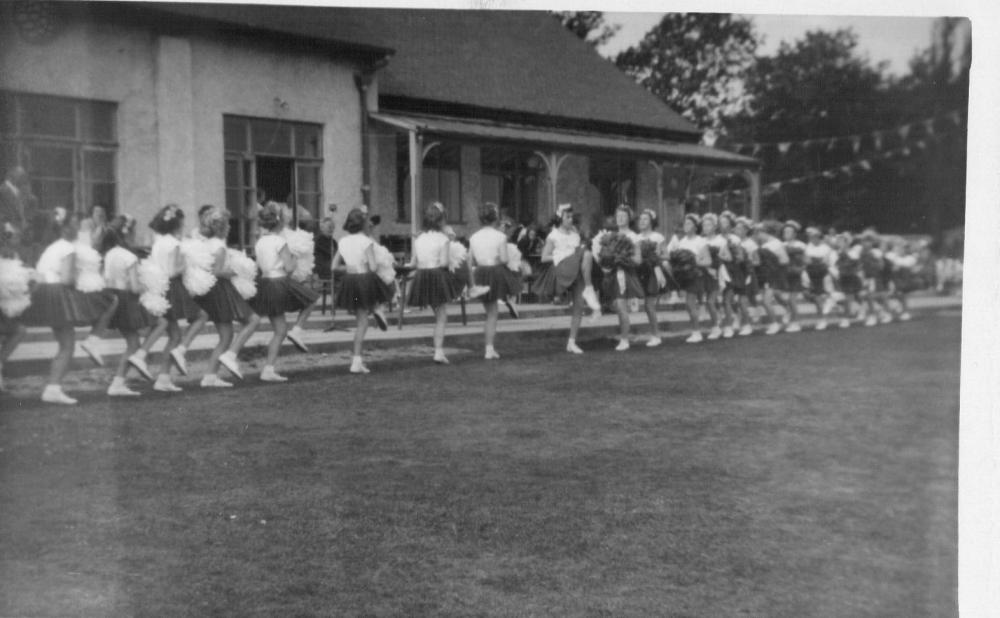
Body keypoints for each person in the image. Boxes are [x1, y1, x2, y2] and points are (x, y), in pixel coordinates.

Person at [23, 208, 111, 404]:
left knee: (65, 344)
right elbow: (67, 279)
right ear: (64, 228)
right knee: (68, 344)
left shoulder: (51, 247)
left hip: (46, 293)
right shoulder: (68, 248)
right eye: (73, 224)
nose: (77, 228)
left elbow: (42, 273)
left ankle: (53, 387)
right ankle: (53, 388)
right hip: (58, 294)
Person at [127, 204, 209, 392]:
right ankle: (180, 351)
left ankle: (163, 377)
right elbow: (173, 271)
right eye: (182, 222)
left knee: (174, 335)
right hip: (173, 287)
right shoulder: (174, 243)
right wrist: (188, 263)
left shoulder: (159, 242)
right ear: (177, 224)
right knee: (201, 316)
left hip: (163, 287)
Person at [190, 205, 261, 387]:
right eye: (228, 224)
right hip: (221, 290)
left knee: (226, 335)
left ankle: (210, 377)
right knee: (253, 320)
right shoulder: (219, 246)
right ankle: (231, 355)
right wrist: (236, 271)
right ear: (222, 227)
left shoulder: (207, 243)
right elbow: (217, 271)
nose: (230, 227)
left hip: (214, 291)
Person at [250, 202, 318, 381]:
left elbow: (259, 266)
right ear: (280, 223)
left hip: (266, 283)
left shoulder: (260, 242)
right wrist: (295, 257)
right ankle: (297, 330)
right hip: (280, 281)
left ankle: (268, 369)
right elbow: (288, 268)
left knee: (279, 330)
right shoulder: (281, 242)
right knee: (311, 300)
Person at [531, 203, 602, 354]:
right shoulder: (553, 235)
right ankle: (590, 291)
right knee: (586, 252)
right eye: (567, 217)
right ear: (560, 218)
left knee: (578, 305)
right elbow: (544, 258)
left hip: (575, 270)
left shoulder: (575, 234)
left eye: (571, 217)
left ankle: (572, 342)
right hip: (562, 268)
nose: (570, 220)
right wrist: (564, 254)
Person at [332, 208, 393, 373]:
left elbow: (334, 266)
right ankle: (377, 308)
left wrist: (351, 266)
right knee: (387, 287)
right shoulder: (366, 241)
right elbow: (373, 267)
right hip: (365, 281)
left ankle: (356, 360)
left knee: (360, 320)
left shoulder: (343, 241)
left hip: (350, 282)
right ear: (363, 224)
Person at [101, 226, 156, 396]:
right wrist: (147, 286)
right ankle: (118, 382)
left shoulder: (109, 254)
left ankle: (118, 382)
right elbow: (134, 287)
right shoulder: (129, 256)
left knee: (133, 343)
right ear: (126, 236)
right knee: (146, 334)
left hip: (114, 298)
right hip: (128, 300)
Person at [407, 203, 460, 364]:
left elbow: (414, 262)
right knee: (442, 316)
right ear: (441, 220)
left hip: (422, 276)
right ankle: (438, 351)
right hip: (436, 275)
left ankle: (438, 350)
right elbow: (444, 263)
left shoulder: (419, 238)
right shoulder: (443, 239)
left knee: (438, 314)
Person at [469, 202, 522, 360]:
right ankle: (489, 349)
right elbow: (505, 259)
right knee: (493, 313)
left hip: (480, 272)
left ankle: (489, 348)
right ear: (495, 218)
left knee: (489, 312)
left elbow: (471, 260)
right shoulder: (500, 236)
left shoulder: (473, 237)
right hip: (496, 272)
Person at [594, 204, 643, 351]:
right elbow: (603, 255)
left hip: (625, 273)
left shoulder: (634, 237)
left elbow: (638, 260)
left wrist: (623, 259)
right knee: (616, 306)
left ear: (629, 218)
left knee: (621, 306)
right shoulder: (610, 236)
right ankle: (624, 335)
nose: (620, 218)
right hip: (611, 274)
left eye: (624, 215)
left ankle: (625, 339)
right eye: (618, 216)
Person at [666, 214, 716, 343]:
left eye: (688, 224)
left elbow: (708, 261)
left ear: (695, 227)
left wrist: (692, 262)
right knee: (689, 305)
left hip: (696, 276)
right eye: (685, 224)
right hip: (684, 277)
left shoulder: (701, 241)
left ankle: (697, 332)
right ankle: (695, 330)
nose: (685, 226)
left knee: (690, 303)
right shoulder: (682, 242)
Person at [0, 225, 31, 392]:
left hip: (7, 302)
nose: (18, 241)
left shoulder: (15, 256)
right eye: (15, 237)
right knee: (18, 330)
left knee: (19, 330)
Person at [752, 221, 793, 335]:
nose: (757, 236)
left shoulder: (775, 243)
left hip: (775, 275)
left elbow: (785, 260)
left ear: (764, 232)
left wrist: (772, 264)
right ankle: (789, 310)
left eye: (758, 233)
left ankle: (774, 324)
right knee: (777, 296)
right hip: (767, 275)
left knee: (766, 301)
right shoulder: (764, 244)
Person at [635, 209, 668, 347]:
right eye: (640, 219)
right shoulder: (636, 238)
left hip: (653, 272)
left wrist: (654, 256)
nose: (642, 221)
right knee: (646, 306)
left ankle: (656, 335)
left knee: (649, 305)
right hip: (640, 272)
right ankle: (654, 333)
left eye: (645, 219)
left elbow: (666, 255)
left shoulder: (658, 237)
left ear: (651, 222)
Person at [702, 213, 733, 338]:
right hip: (705, 273)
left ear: (715, 227)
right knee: (709, 302)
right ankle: (717, 324)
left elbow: (729, 257)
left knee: (716, 301)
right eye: (704, 225)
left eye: (708, 225)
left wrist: (717, 257)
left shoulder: (721, 241)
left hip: (719, 273)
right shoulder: (701, 240)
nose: (705, 227)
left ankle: (726, 326)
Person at [803, 226, 839, 331]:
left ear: (819, 237)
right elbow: (807, 261)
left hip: (823, 275)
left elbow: (826, 263)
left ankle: (822, 319)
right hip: (811, 274)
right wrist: (815, 261)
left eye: (815, 237)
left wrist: (814, 261)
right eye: (810, 237)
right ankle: (829, 300)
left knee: (819, 297)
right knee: (810, 295)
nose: (812, 239)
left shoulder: (826, 248)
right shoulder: (808, 247)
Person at [780, 220, 806, 333]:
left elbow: (805, 261)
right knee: (780, 295)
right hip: (785, 275)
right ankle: (789, 311)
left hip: (796, 274)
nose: (786, 234)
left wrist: (800, 270)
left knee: (792, 299)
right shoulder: (782, 244)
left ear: (795, 234)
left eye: (789, 232)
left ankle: (796, 322)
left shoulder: (800, 245)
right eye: (785, 232)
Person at [0, 166, 33, 238]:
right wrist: (8, 227)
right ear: (11, 176)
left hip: (20, 230)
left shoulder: (19, 191)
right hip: (8, 231)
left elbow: (23, 209)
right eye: (21, 176)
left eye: (24, 177)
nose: (24, 179)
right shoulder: (2, 191)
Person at [313, 216, 337, 281]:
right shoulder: (317, 240)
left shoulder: (333, 242)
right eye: (329, 227)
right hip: (321, 270)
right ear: (322, 228)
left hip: (331, 268)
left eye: (333, 227)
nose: (331, 229)